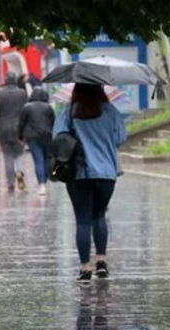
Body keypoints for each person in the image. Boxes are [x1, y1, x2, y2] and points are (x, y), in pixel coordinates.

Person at [53, 83, 127, 283]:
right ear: (100, 90)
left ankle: (85, 268)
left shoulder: (69, 111)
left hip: (79, 172)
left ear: (76, 91)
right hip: (106, 173)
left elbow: (58, 137)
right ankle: (101, 263)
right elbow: (121, 138)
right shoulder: (110, 110)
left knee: (83, 220)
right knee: (99, 215)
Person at [0, 72, 28, 192]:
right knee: (19, 154)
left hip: (3, 129)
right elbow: (26, 112)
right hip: (19, 129)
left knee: (8, 157)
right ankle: (19, 172)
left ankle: (11, 183)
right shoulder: (22, 93)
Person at [18, 86, 55, 195]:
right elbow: (53, 122)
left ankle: (42, 185)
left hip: (32, 137)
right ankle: (45, 180)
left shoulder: (27, 107)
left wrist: (20, 136)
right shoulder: (48, 107)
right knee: (46, 159)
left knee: (38, 160)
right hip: (47, 135)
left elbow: (21, 123)